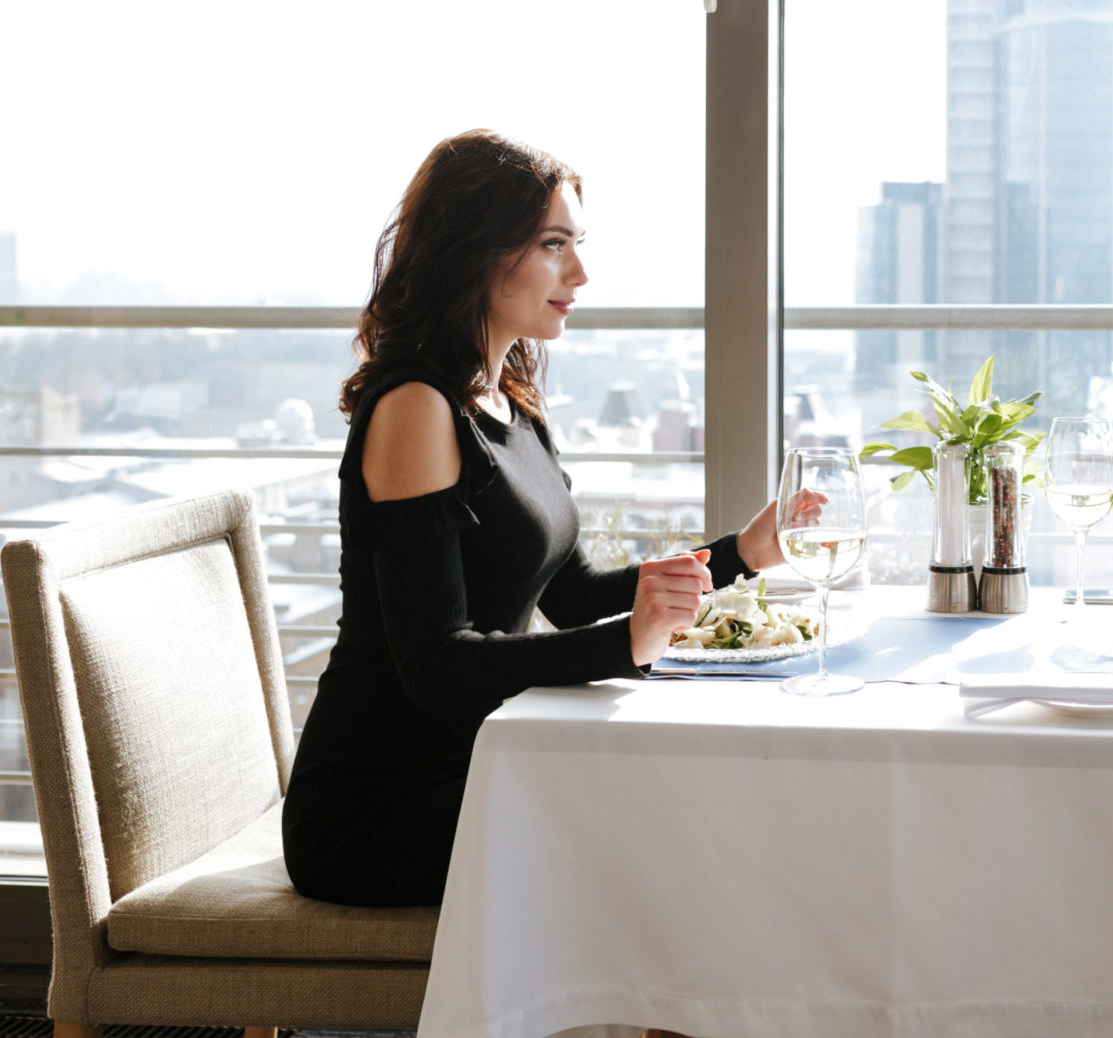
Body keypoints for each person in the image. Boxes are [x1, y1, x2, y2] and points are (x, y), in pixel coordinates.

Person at [284, 130, 793, 907]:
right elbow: (435, 666)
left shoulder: (508, 397)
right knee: (669, 829)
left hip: (484, 757)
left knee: (684, 805)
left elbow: (575, 594)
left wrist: (740, 555)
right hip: (379, 806)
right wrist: (628, 643)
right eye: (554, 245)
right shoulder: (417, 408)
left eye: (576, 244)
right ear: (475, 250)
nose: (579, 273)